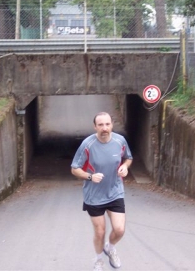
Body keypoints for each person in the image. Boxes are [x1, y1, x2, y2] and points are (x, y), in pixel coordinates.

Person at [71, 112, 133, 271]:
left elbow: (128, 158)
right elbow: (74, 169)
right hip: (94, 196)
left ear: (112, 124)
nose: (104, 128)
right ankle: (99, 260)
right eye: (100, 125)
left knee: (119, 229)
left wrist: (125, 166)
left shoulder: (120, 141)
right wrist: (90, 177)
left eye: (107, 124)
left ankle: (110, 247)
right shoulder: (87, 144)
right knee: (100, 232)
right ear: (95, 127)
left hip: (115, 191)